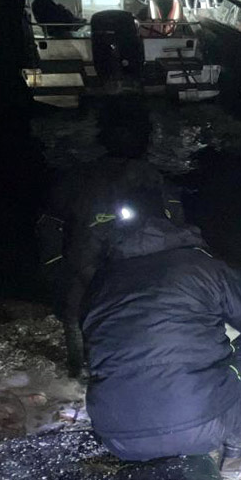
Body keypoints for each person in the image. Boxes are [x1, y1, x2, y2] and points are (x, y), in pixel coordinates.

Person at [81, 212, 241, 476]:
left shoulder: (100, 283)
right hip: (198, 426)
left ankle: (152, 448)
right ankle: (238, 455)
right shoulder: (199, 266)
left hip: (117, 438)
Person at [36, 109, 183, 376]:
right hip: (112, 266)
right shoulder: (147, 177)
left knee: (80, 315)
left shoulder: (84, 177)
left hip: (105, 265)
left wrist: (54, 261)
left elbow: (51, 222)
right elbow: (174, 224)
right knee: (81, 315)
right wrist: (54, 261)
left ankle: (86, 371)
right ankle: (85, 370)